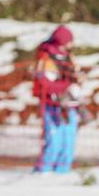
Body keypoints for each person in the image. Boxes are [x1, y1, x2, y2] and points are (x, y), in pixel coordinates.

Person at [33, 25, 80, 174]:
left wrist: (77, 83)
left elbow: (74, 75)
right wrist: (66, 86)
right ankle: (44, 171)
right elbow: (46, 83)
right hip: (53, 104)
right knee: (54, 139)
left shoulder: (68, 57)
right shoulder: (46, 58)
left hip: (70, 104)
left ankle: (63, 171)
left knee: (69, 140)